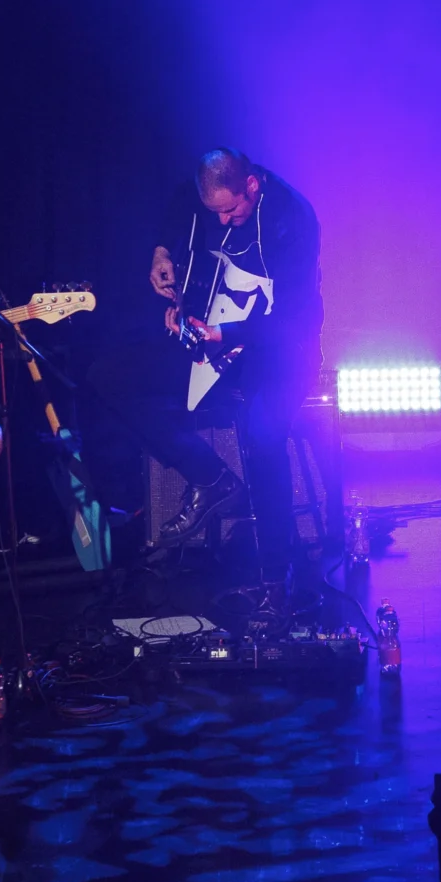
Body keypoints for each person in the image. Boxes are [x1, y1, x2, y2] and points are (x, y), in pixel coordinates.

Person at [142, 148, 324, 589]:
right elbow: (182, 202)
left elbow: (292, 320)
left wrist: (221, 333)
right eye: (214, 212)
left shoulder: (292, 220)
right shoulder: (210, 196)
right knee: (117, 383)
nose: (222, 220)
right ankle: (211, 479)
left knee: (261, 433)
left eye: (230, 210)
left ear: (252, 186)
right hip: (219, 342)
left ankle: (276, 574)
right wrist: (166, 262)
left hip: (283, 352)